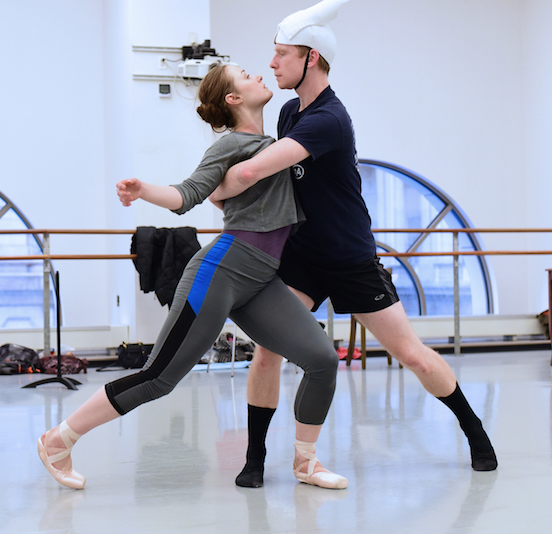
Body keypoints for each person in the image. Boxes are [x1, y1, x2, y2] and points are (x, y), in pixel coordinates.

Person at [209, 0, 498, 488]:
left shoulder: (329, 119)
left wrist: (205, 187)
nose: (272, 63)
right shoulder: (286, 112)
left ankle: (475, 432)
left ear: (312, 59)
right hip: (301, 256)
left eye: (282, 54)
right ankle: (256, 458)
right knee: (267, 352)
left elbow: (254, 171)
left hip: (348, 256)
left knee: (410, 353)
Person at [38, 63, 346, 490]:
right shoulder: (230, 145)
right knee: (158, 377)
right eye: (246, 74)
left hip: (262, 278)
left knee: (322, 360)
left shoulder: (275, 143)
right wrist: (143, 189)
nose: (259, 74)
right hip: (220, 271)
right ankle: (58, 439)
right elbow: (187, 194)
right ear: (234, 99)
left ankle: (306, 462)